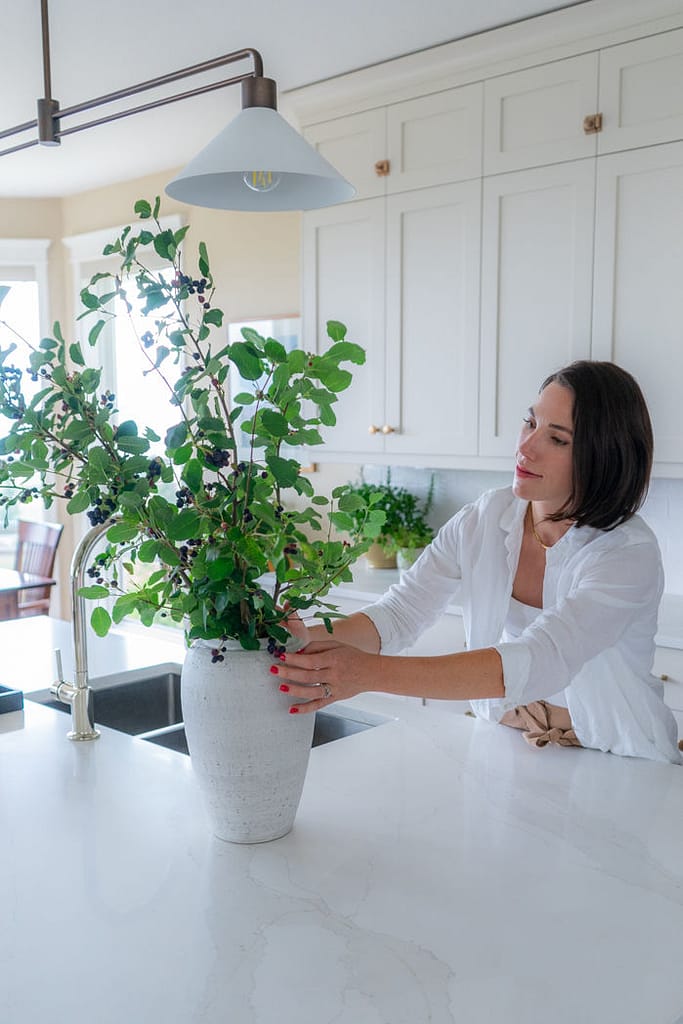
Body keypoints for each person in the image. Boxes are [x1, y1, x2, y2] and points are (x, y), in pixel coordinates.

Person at [273, 361, 682, 764]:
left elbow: (539, 658)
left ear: (603, 457)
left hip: (619, 755)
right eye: (530, 422)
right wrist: (300, 643)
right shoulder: (486, 518)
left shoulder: (626, 552)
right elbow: (400, 614)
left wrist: (368, 673)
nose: (525, 447)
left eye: (557, 439)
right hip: (512, 739)